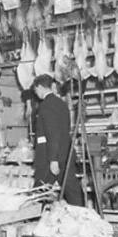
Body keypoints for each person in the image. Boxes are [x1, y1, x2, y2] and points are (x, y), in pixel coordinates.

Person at [31, 74, 84, 206]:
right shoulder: (61, 103)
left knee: (40, 190)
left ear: (40, 87)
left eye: (35, 89)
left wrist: (53, 160)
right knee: (71, 188)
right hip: (65, 152)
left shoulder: (46, 105)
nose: (36, 93)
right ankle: (82, 215)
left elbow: (53, 133)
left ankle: (39, 219)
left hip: (50, 157)